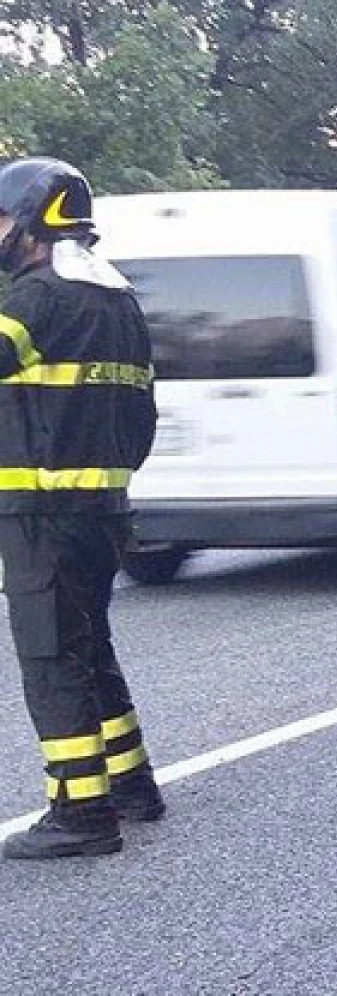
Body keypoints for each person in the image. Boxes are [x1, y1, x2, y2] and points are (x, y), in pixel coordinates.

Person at [0, 157, 161, 860]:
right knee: (89, 645)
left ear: (37, 220)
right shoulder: (118, 299)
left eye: (3, 220)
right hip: (103, 508)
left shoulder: (37, 300)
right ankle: (132, 784)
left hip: (39, 513)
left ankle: (81, 810)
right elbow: (144, 417)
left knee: (50, 656)